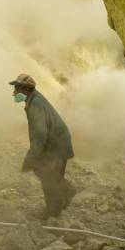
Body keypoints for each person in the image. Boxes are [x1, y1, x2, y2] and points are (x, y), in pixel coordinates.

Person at [10, 73, 76, 219]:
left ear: (26, 89)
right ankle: (67, 190)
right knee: (48, 174)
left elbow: (39, 134)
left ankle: (53, 212)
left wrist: (31, 157)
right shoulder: (33, 100)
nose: (14, 93)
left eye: (17, 89)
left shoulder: (36, 104)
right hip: (55, 142)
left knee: (48, 178)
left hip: (56, 145)